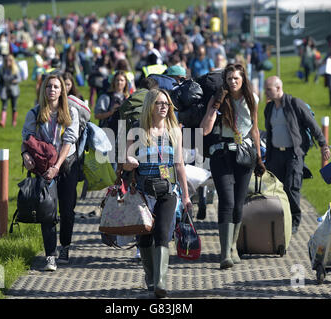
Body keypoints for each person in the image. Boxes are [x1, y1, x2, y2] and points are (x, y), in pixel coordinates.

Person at [124, 88, 192, 298]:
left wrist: (187, 195)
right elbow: (124, 163)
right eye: (159, 103)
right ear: (150, 106)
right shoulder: (137, 130)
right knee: (144, 237)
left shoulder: (174, 130)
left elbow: (179, 164)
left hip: (167, 190)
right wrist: (129, 162)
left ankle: (161, 282)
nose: (164, 107)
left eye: (166, 103)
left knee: (162, 233)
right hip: (144, 192)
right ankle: (151, 278)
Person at [200, 63, 265, 269]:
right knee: (226, 201)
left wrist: (260, 158)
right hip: (221, 154)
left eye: (236, 78)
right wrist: (215, 105)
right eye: (229, 79)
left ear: (243, 79)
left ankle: (233, 247)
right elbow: (204, 129)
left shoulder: (252, 99)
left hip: (245, 155)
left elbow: (255, 129)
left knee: (238, 203)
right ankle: (224, 252)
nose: (233, 82)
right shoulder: (219, 98)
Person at [21, 73, 80, 272]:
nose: (52, 90)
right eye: (48, 87)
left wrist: (57, 166)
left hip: (66, 165)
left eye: (56, 87)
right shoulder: (35, 113)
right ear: (43, 90)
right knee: (47, 211)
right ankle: (50, 256)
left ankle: (65, 246)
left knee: (67, 209)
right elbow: (26, 137)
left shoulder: (71, 112)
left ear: (62, 90)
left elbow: (68, 141)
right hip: (44, 166)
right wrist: (25, 155)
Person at [263, 76, 331, 234]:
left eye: (268, 89)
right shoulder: (269, 108)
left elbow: (313, 125)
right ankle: (280, 218)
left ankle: (294, 221)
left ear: (278, 88)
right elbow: (270, 131)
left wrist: (323, 145)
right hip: (275, 155)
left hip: (293, 154)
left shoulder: (295, 104)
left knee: (292, 187)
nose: (266, 92)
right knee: (276, 189)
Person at [94, 70, 130, 138]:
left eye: (122, 80)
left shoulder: (128, 99)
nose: (119, 82)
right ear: (113, 82)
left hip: (122, 133)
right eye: (117, 80)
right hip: (107, 133)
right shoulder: (105, 97)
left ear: (126, 82)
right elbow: (97, 116)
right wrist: (111, 112)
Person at [0, 54, 21, 127]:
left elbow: (19, 78)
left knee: (14, 107)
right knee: (4, 106)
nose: (8, 62)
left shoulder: (15, 69)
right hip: (4, 89)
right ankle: (3, 121)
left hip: (14, 90)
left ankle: (14, 122)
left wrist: (15, 81)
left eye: (9, 61)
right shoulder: (2, 69)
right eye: (6, 60)